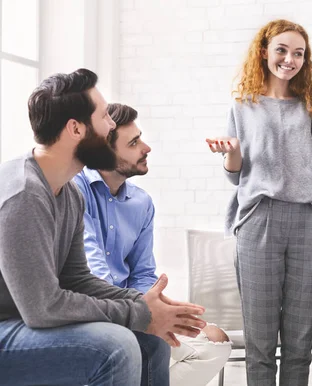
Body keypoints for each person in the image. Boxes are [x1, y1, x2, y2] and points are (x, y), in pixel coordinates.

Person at [0, 69, 205, 386]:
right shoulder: (24, 195)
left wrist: (146, 305)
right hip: (8, 327)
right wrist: (139, 314)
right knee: (115, 346)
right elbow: (42, 308)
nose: (111, 125)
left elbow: (77, 279)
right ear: (76, 129)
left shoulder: (69, 193)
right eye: (104, 117)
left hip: (22, 320)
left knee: (151, 341)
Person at [206, 19, 312, 386]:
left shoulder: (310, 107)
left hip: (308, 221)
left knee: (299, 341)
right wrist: (232, 153)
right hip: (259, 222)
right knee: (261, 343)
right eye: (282, 50)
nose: (290, 59)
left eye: (298, 53)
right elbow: (235, 176)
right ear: (264, 52)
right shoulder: (242, 107)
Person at [74, 102, 232, 385]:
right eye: (134, 143)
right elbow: (93, 270)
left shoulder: (141, 202)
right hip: (96, 313)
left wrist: (157, 307)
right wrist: (144, 312)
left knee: (215, 341)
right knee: (152, 342)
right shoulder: (76, 190)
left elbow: (143, 273)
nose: (146, 148)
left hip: (132, 309)